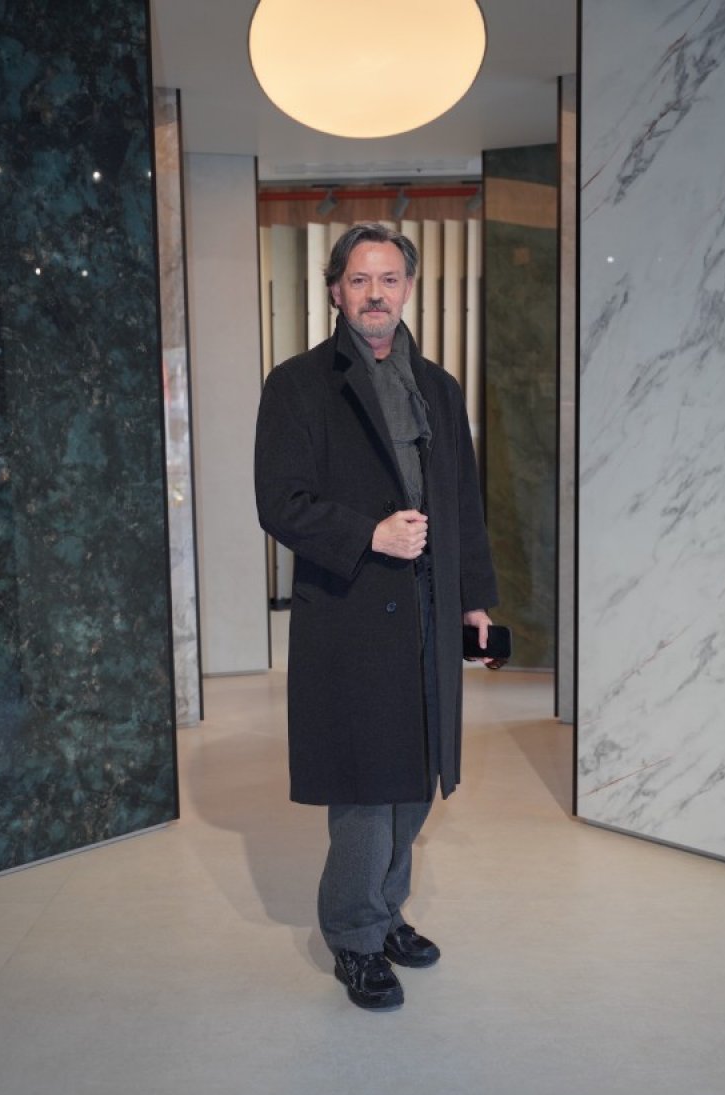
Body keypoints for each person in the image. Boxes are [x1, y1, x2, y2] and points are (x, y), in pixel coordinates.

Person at [255, 222, 498, 1011]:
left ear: (409, 289)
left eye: (389, 279)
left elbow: (462, 503)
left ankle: (387, 912)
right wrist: (369, 534)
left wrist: (474, 597)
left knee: (415, 771)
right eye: (359, 280)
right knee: (365, 782)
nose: (374, 294)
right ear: (336, 290)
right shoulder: (297, 385)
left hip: (427, 606)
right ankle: (355, 937)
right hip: (351, 607)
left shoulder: (439, 388)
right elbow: (280, 501)